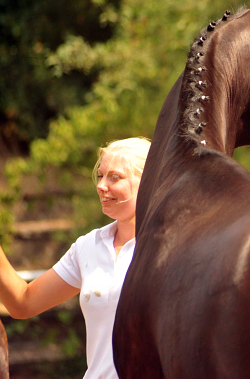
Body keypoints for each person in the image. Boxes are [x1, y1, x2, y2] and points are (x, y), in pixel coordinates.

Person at [0, 137, 151, 379]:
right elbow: (23, 303)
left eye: (114, 177)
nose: (101, 185)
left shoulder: (172, 246)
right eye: (100, 176)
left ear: (150, 181)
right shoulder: (87, 247)